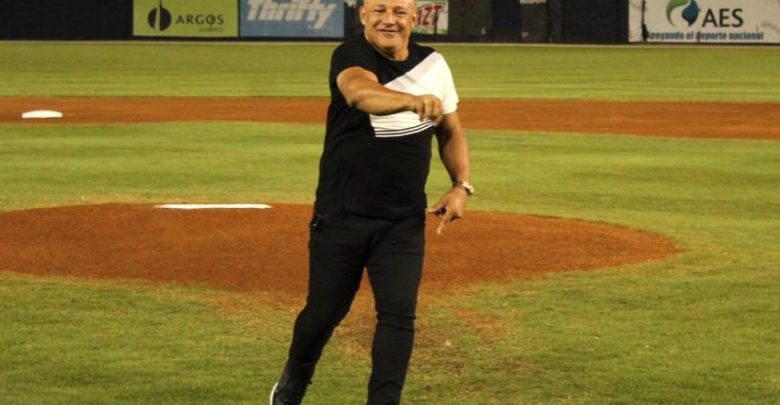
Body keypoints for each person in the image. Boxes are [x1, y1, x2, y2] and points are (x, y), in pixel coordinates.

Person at [270, 0, 472, 404]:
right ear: (363, 16)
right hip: (341, 215)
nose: (389, 20)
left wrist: (460, 186)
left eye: (399, 11)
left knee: (398, 316)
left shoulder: (434, 64)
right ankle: (294, 379)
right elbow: (360, 93)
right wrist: (409, 100)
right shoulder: (350, 55)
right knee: (323, 314)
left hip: (402, 220)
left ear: (414, 18)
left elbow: (450, 130)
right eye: (379, 10)